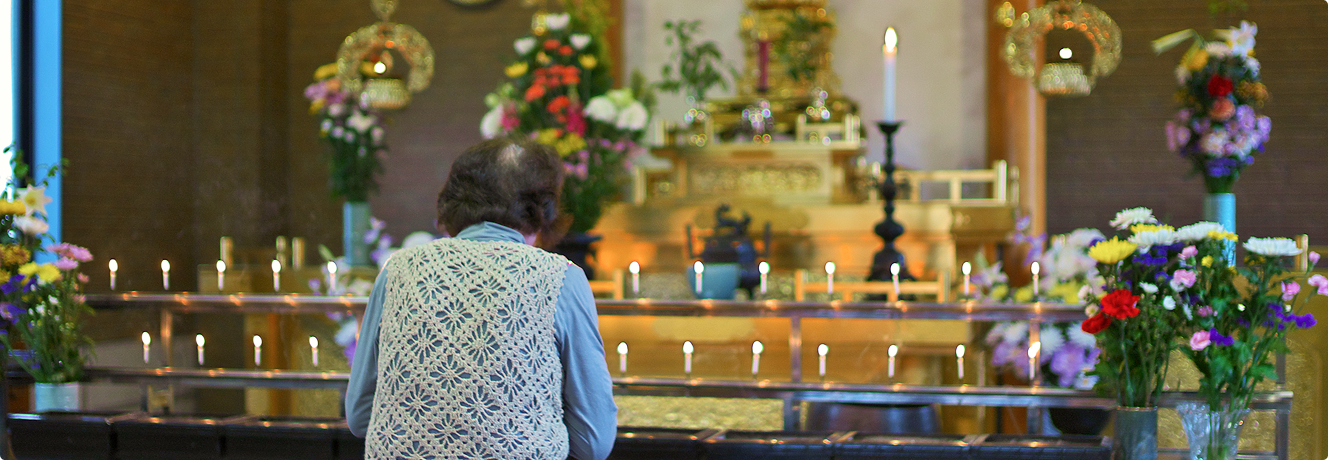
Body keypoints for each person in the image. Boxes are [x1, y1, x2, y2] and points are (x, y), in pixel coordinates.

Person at [346, 138, 617, 460]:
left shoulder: (398, 270)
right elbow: (594, 442)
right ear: (542, 207)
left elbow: (361, 416)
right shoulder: (560, 277)